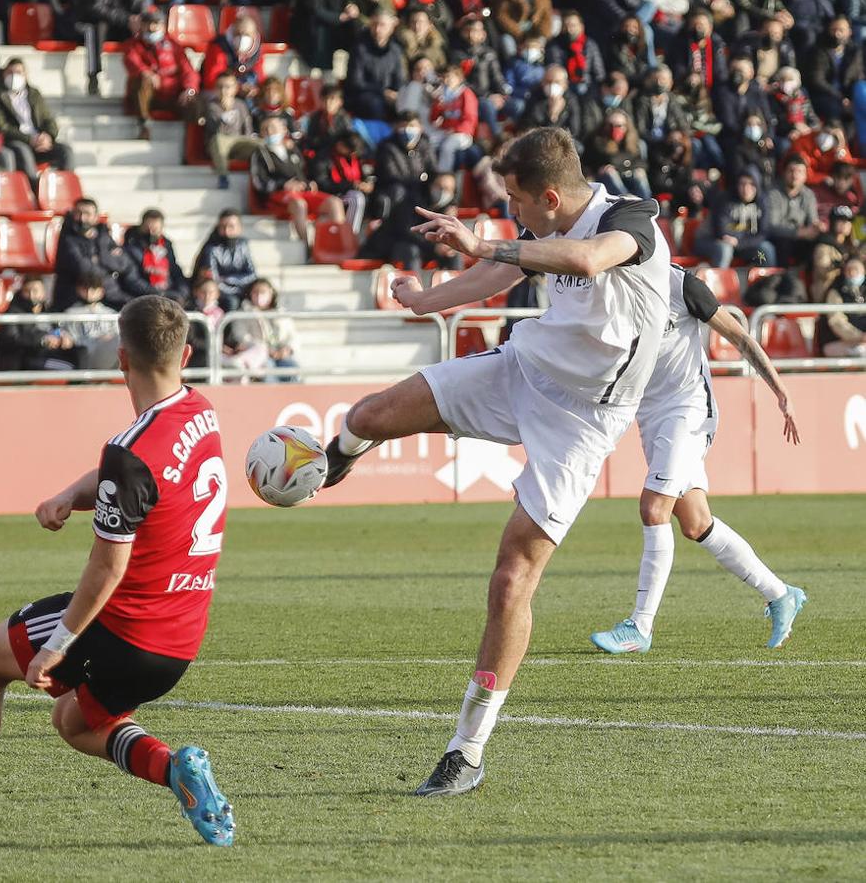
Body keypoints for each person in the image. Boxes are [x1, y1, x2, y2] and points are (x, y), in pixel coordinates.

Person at [322, 127, 670, 797]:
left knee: (512, 582)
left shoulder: (630, 219)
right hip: (521, 369)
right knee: (367, 417)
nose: (510, 212)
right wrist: (428, 299)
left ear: (548, 195)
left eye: (514, 200)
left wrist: (485, 240)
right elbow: (511, 266)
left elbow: (590, 260)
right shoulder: (540, 231)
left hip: (584, 421)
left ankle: (467, 751)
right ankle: (333, 461)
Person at [0, 295, 233, 849]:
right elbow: (133, 483)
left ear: (121, 360)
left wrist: (59, 644)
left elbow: (107, 565)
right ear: (188, 355)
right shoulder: (201, 411)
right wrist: (68, 494)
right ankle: (177, 771)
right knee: (74, 721)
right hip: (181, 639)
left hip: (126, 627)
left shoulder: (129, 451)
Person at [592, 263, 805, 654]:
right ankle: (780, 594)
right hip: (650, 415)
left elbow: (739, 336)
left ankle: (640, 627)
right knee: (695, 522)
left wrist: (780, 390)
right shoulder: (608, 290)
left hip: (688, 411)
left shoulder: (682, 285)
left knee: (654, 508)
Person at [249, 116, 345, 244]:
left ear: (284, 130)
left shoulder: (292, 150)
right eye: (265, 129)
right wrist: (283, 185)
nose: (269, 132)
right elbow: (259, 182)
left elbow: (301, 172)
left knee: (335, 203)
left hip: (300, 192)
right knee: (299, 204)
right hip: (277, 195)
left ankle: (337, 244)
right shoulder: (260, 153)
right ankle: (306, 247)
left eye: (273, 128)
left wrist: (307, 183)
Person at [0, 59, 75, 183]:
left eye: (18, 72)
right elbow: (1, 126)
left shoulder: (34, 94)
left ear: (25, 75)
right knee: (23, 151)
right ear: (4, 74)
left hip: (39, 141)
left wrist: (48, 136)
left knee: (65, 151)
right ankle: (35, 190)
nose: (14, 76)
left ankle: (65, 189)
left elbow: (48, 119)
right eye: (10, 72)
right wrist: (29, 140)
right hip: (16, 141)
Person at [122, 9, 198, 140]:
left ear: (163, 26)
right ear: (142, 25)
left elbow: (189, 71)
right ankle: (144, 126)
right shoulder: (133, 45)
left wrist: (190, 89)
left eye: (156, 23)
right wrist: (147, 73)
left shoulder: (174, 47)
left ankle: (192, 142)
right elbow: (132, 61)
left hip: (172, 95)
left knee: (194, 99)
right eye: (148, 23)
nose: (152, 28)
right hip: (148, 97)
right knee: (142, 81)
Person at [54, 199, 137, 310]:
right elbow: (83, 268)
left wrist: (102, 257)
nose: (82, 218)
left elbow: (124, 264)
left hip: (111, 294)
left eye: (87, 214)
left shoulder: (103, 234)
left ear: (95, 217)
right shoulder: (67, 238)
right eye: (78, 213)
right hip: (77, 299)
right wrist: (109, 269)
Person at [0, 276, 81, 371]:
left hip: (52, 355)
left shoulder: (50, 311)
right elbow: (11, 339)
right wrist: (42, 340)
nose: (31, 295)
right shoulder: (13, 313)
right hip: (26, 361)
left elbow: (58, 330)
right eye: (27, 291)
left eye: (35, 291)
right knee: (73, 370)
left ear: (43, 293)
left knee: (82, 354)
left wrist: (65, 337)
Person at [698, 168, 776, 268]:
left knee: (766, 250)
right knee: (725, 249)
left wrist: (740, 242)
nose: (746, 189)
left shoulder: (762, 202)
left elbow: (762, 234)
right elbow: (721, 231)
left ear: (757, 186)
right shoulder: (724, 199)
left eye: (751, 184)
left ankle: (768, 282)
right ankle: (719, 282)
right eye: (742, 184)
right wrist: (742, 240)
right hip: (709, 241)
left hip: (742, 245)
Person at [202, 73, 258, 190]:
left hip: (238, 143)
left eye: (227, 87)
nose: (223, 90)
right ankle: (223, 176)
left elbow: (247, 129)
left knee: (263, 144)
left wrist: (249, 141)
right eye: (219, 86)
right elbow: (218, 132)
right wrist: (227, 110)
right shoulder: (211, 106)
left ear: (235, 88)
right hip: (219, 144)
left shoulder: (241, 104)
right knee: (219, 140)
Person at [123, 208, 189, 303]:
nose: (151, 233)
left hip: (168, 293)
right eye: (148, 229)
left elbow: (175, 271)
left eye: (155, 229)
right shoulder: (131, 247)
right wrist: (159, 294)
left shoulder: (166, 245)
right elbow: (132, 279)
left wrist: (182, 292)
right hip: (143, 297)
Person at [193, 209, 256, 307]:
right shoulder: (211, 248)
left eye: (231, 226)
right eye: (223, 227)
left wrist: (228, 279)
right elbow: (213, 281)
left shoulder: (243, 245)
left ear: (239, 228)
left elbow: (252, 275)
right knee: (232, 302)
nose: (227, 231)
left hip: (242, 289)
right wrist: (235, 287)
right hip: (218, 293)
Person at [766, 156, 822, 266]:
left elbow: (812, 222)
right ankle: (783, 277)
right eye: (791, 171)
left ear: (805, 176)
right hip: (778, 239)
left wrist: (817, 226)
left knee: (820, 242)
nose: (795, 175)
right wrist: (797, 233)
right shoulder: (772, 193)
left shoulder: (808, 195)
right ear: (784, 173)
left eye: (800, 172)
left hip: (800, 239)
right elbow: (771, 227)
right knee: (784, 242)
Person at [62, 270, 121, 370]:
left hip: (108, 356)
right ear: (78, 289)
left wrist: (108, 339)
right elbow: (68, 339)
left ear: (101, 291)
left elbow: (118, 337)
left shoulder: (111, 313)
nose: (89, 292)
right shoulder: (70, 313)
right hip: (84, 356)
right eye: (85, 288)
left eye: (93, 288)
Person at [818, 254, 866, 357]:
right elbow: (836, 321)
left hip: (862, 342)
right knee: (861, 352)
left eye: (856, 270)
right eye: (849, 270)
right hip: (837, 341)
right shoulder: (835, 291)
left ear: (863, 271)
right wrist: (859, 336)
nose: (852, 273)